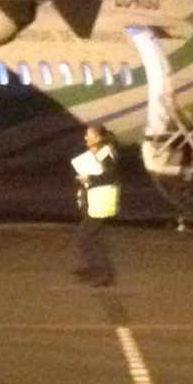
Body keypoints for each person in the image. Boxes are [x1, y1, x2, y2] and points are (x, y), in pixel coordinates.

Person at [73, 123, 119, 287]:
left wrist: (90, 179)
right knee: (98, 240)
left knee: (84, 237)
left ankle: (95, 271)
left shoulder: (106, 154)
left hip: (101, 202)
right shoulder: (98, 154)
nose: (86, 138)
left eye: (89, 135)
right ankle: (104, 274)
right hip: (95, 202)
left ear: (98, 138)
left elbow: (110, 176)